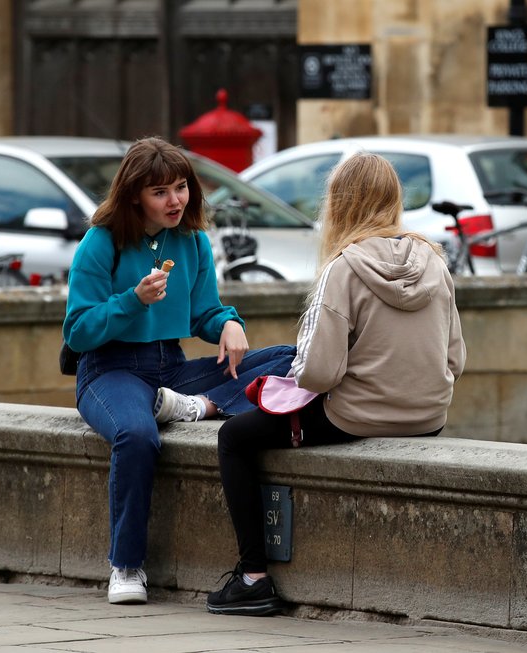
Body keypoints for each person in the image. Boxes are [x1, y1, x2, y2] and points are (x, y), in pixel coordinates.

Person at [208, 152, 466, 617]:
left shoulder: (344, 268)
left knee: (234, 437)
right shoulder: (435, 261)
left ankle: (252, 577)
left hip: (355, 417)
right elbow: (456, 359)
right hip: (429, 417)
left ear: (339, 205)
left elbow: (319, 374)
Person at [62, 136, 295, 605]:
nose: (176, 201)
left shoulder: (192, 241)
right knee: (138, 435)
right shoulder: (100, 242)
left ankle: (196, 404)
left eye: (181, 188)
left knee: (287, 357)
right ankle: (126, 566)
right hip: (110, 371)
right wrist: (132, 301)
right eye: (161, 192)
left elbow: (203, 313)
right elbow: (79, 331)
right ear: (134, 195)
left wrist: (228, 322)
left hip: (171, 369)